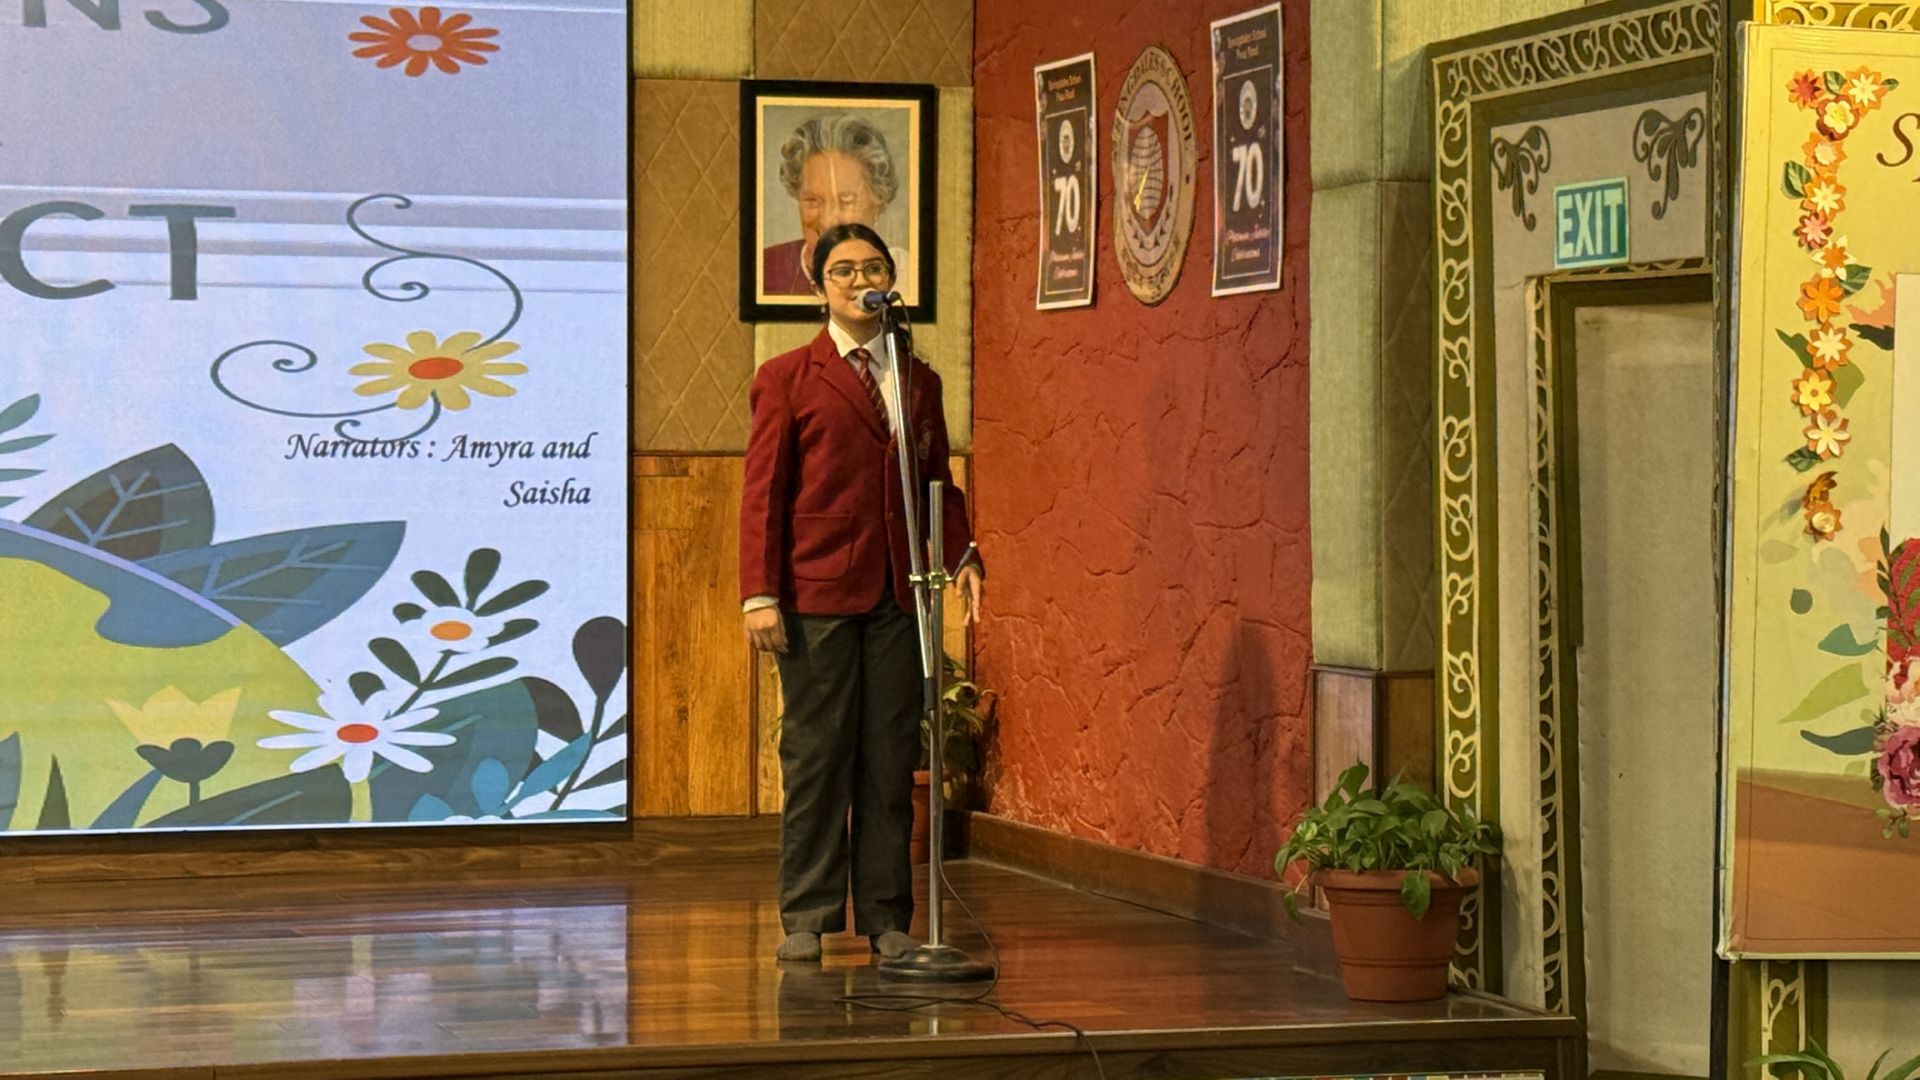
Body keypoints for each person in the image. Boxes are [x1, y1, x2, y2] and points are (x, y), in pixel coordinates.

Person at [739, 222, 983, 963]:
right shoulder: (787, 377)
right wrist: (759, 593)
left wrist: (963, 552)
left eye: (872, 268)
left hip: (899, 595)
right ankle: (807, 916)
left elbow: (937, 480)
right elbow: (763, 493)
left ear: (890, 280)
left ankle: (887, 919)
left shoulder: (917, 379)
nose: (859, 281)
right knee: (817, 758)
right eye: (842, 271)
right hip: (815, 594)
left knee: (887, 759)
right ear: (819, 287)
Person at [762, 114, 915, 301]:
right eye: (813, 200)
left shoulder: (906, 277)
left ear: (878, 201)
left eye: (846, 200)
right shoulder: (766, 270)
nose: (829, 220)